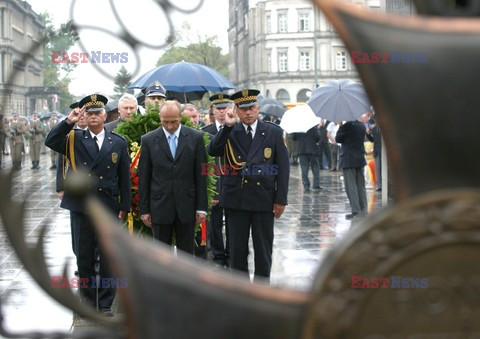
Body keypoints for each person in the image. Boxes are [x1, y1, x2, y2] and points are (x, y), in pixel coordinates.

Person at [45, 94, 131, 316]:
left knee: (108, 257)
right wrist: (69, 121)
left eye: (97, 113)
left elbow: (124, 177)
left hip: (108, 206)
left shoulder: (118, 142)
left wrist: (125, 205)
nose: (93, 117)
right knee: (84, 257)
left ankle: (104, 304)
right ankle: (87, 302)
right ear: (85, 115)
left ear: (105, 115)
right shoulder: (74, 139)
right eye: (89, 113)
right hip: (82, 206)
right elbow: (50, 141)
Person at [208, 89, 290, 281]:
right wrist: (227, 127)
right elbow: (213, 151)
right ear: (235, 109)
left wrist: (281, 199)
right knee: (237, 251)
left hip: (263, 198)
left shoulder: (273, 132)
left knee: (263, 250)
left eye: (251, 108)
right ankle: (240, 290)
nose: (248, 113)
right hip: (236, 199)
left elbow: (283, 168)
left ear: (258, 108)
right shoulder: (230, 130)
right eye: (243, 109)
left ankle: (262, 289)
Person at [138, 101, 208, 255]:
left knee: (187, 256)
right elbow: (144, 176)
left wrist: (202, 207)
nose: (169, 126)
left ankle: (185, 280)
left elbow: (201, 175)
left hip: (187, 206)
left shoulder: (195, 138)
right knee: (161, 256)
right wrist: (144, 209)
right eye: (165, 122)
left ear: (180, 117)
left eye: (174, 122)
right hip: (160, 206)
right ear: (159, 118)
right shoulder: (148, 140)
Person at [202, 94, 231, 267]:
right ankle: (219, 255)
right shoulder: (205, 133)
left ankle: (232, 253)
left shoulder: (236, 129)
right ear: (213, 111)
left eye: (224, 108)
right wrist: (211, 189)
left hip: (233, 182)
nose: (221, 112)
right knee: (215, 224)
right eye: (218, 108)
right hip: (215, 183)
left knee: (234, 223)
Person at [335, 114, 373, 220]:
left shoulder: (346, 126)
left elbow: (338, 139)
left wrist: (340, 126)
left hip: (348, 159)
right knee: (361, 185)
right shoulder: (361, 126)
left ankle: (355, 210)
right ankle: (364, 209)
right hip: (359, 158)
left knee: (350, 186)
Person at [294, 126, 322, 192]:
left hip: (302, 150)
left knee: (304, 168)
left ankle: (306, 185)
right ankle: (316, 185)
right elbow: (318, 137)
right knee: (315, 167)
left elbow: (294, 138)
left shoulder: (298, 127)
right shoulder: (313, 126)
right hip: (312, 150)